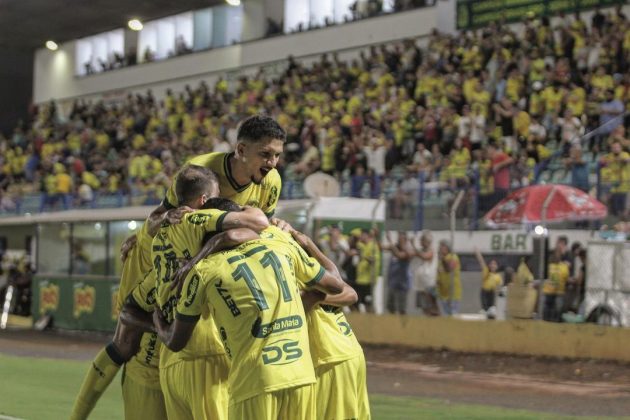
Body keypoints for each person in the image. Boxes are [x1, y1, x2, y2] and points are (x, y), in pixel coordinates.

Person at [70, 165, 222, 420]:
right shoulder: (161, 245)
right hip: (149, 372)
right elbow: (126, 331)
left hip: (185, 371)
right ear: (202, 201)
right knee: (125, 345)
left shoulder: (184, 236)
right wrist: (163, 328)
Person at [154, 223, 346, 420]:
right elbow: (337, 285)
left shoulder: (204, 270)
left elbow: (175, 341)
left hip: (253, 382)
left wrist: (158, 321)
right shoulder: (281, 248)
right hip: (301, 376)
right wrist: (309, 244)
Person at [124, 192, 269, 420]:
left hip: (170, 367)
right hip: (206, 357)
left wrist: (157, 325)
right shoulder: (212, 262)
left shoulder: (166, 260)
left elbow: (127, 311)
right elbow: (255, 226)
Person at [290, 230, 370, 420]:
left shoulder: (297, 276)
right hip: (349, 353)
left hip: (329, 359)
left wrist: (313, 298)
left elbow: (351, 294)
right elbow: (348, 293)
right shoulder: (319, 278)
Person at [381, 231, 412, 315]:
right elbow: (381, 247)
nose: (398, 240)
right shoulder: (394, 247)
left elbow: (399, 255)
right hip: (393, 282)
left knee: (402, 308)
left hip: (403, 284)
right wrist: (376, 236)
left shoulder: (408, 250)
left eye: (401, 239)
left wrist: (390, 241)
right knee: (391, 307)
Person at [411, 230, 438, 316]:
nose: (421, 242)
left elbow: (424, 256)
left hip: (428, 285)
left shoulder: (431, 251)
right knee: (424, 308)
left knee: (431, 308)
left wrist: (413, 246)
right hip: (420, 286)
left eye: (422, 240)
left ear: (428, 242)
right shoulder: (420, 250)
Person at [474, 247, 502, 318]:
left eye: (494, 264)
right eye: (491, 264)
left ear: (497, 266)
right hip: (484, 292)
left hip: (492, 293)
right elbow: (481, 261)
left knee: (492, 310)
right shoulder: (486, 271)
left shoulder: (498, 276)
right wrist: (478, 253)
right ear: (489, 265)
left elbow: (499, 287)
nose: (493, 265)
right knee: (484, 310)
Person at [436, 239, 461, 316]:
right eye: (440, 246)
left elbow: (449, 269)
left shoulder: (453, 257)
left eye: (442, 246)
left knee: (453, 315)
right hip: (443, 293)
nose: (440, 248)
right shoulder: (440, 260)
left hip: (452, 293)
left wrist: (442, 258)